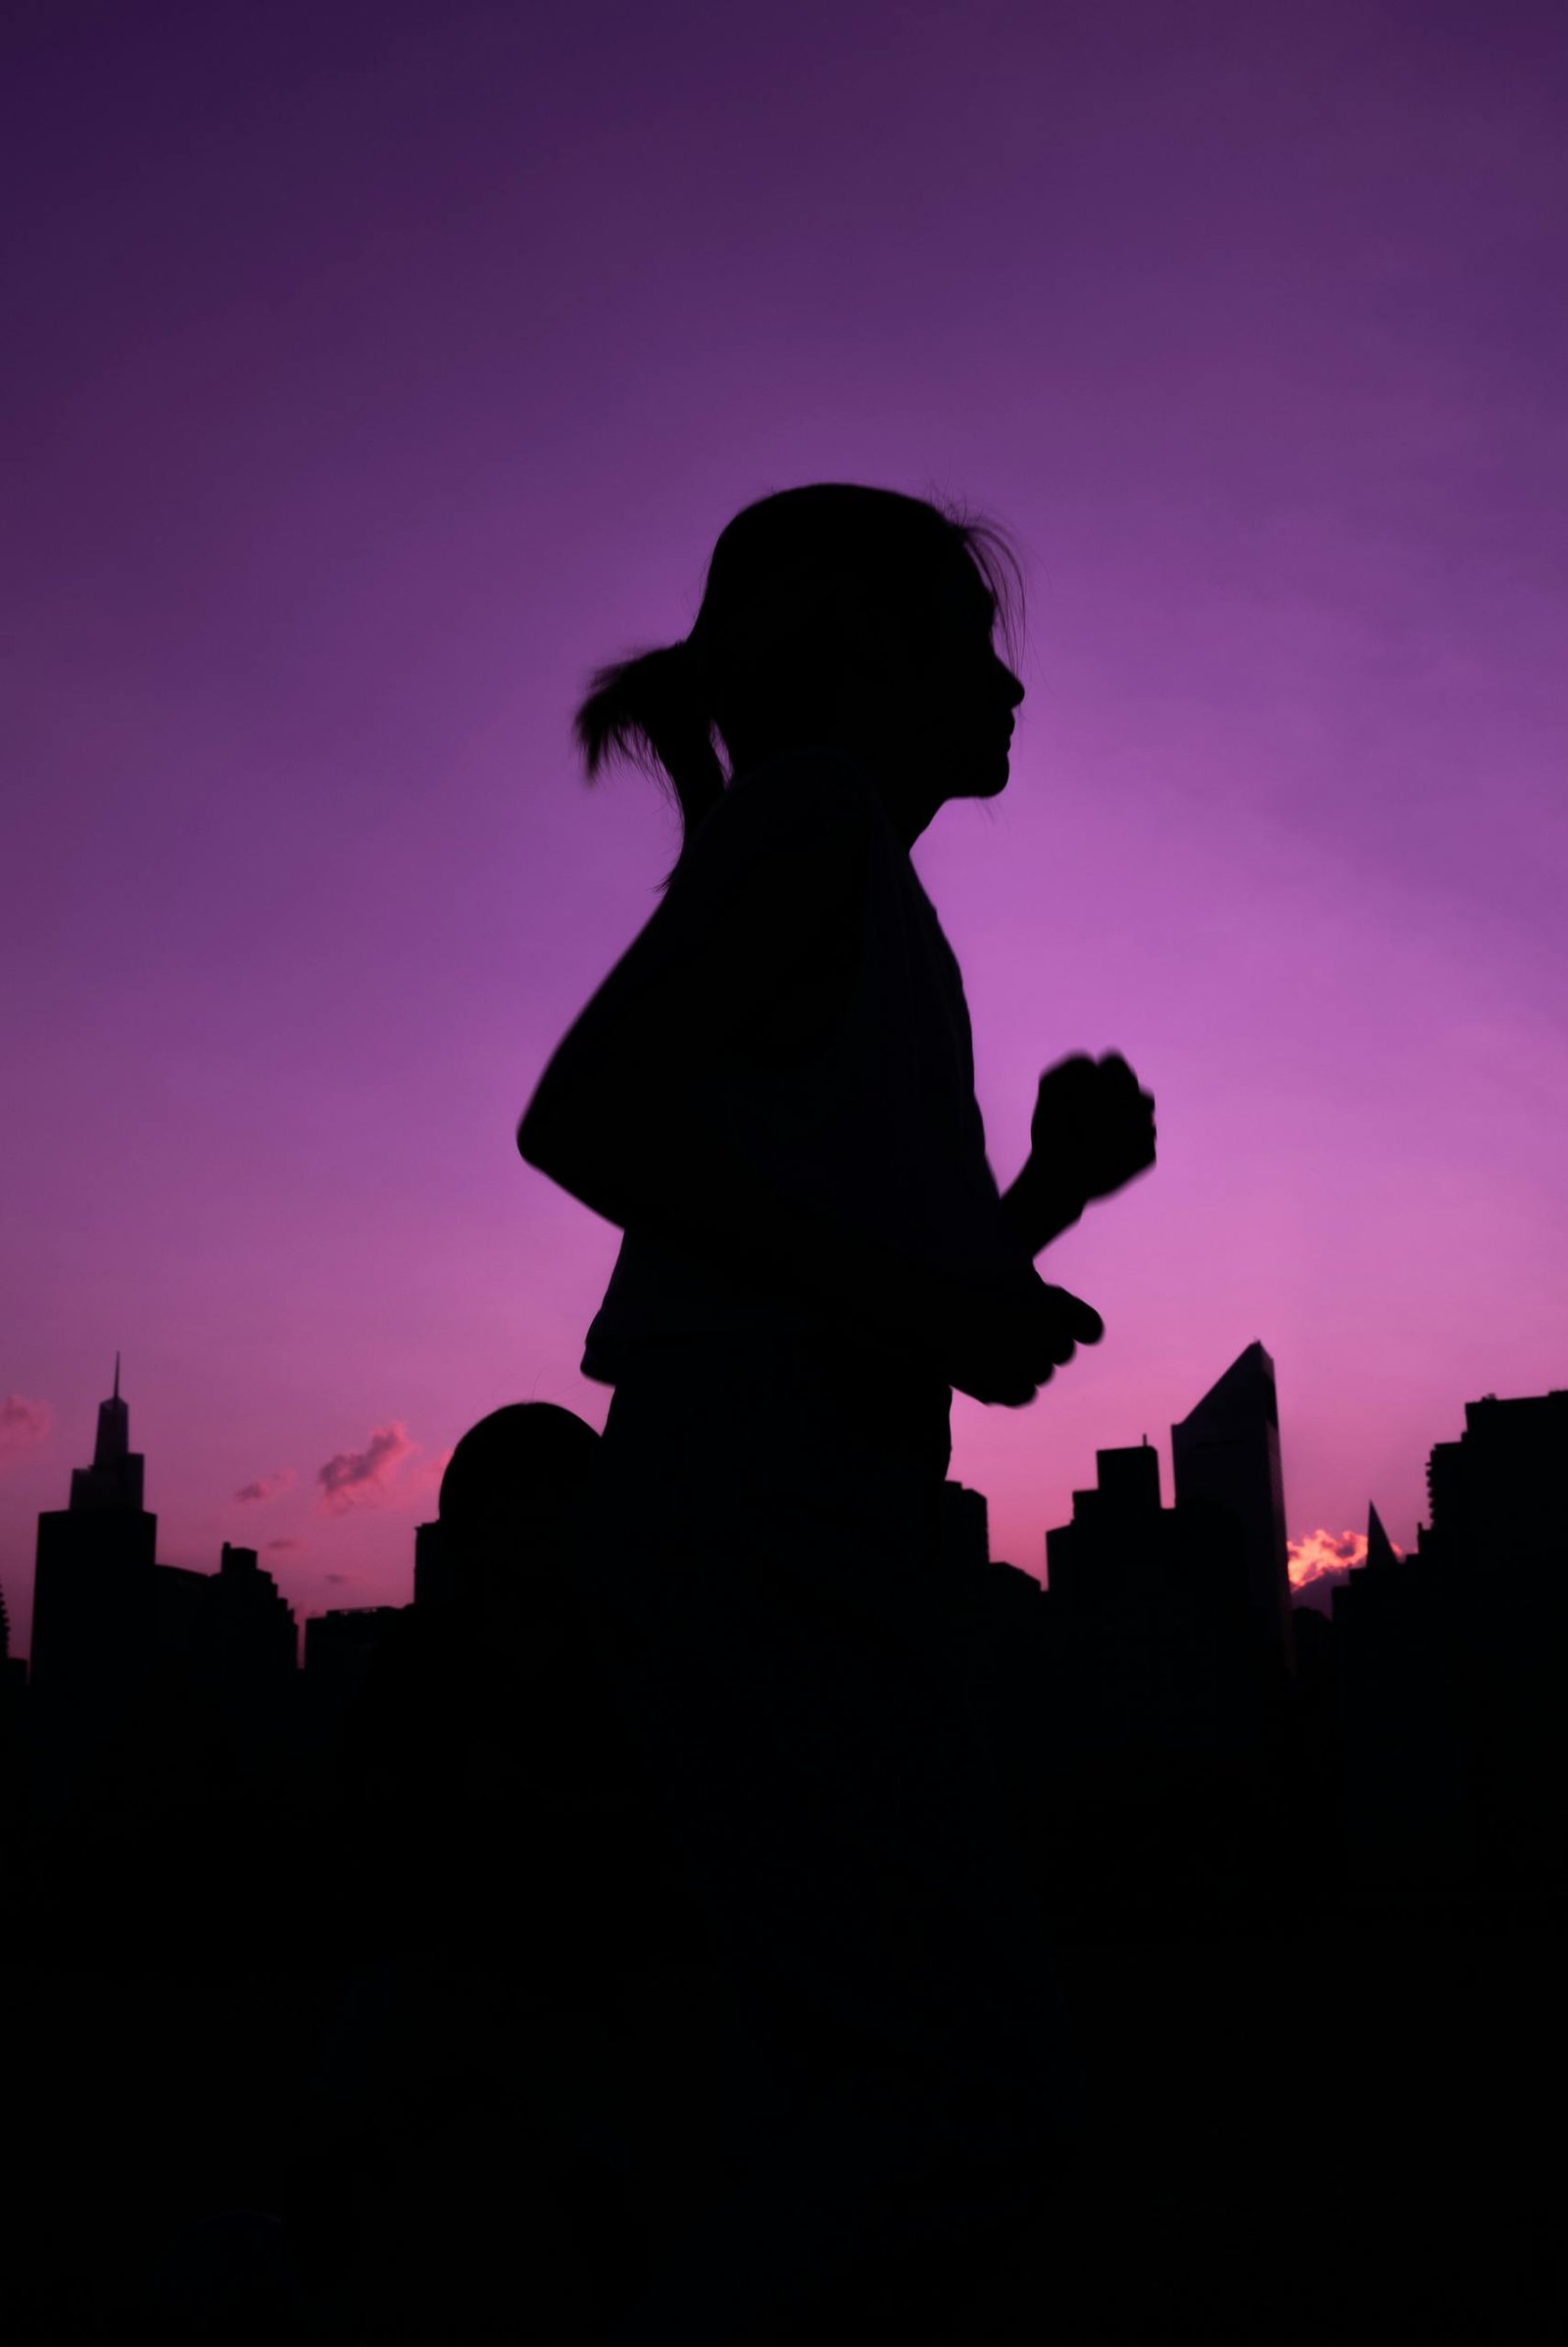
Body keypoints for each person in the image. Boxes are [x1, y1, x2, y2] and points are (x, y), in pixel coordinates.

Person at [517, 482, 1156, 2342]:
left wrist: (1039, 1201)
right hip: (760, 1518)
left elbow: (881, 1268)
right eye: (973, 640)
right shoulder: (811, 825)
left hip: (787, 1519)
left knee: (850, 2100)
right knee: (974, 2104)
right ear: (866, 654)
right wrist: (933, 1293)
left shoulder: (847, 871)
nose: (1012, 686)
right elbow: (587, 1117)